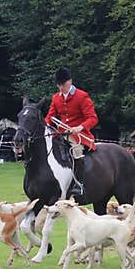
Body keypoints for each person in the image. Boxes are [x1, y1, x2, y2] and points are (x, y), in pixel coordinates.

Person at [44, 67, 98, 200]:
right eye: (59, 85)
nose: (62, 87)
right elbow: (49, 118)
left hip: (79, 136)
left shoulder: (82, 96)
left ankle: (79, 184)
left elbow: (93, 118)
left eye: (64, 84)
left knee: (76, 151)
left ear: (70, 81)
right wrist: (46, 127)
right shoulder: (56, 98)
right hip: (61, 134)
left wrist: (80, 127)